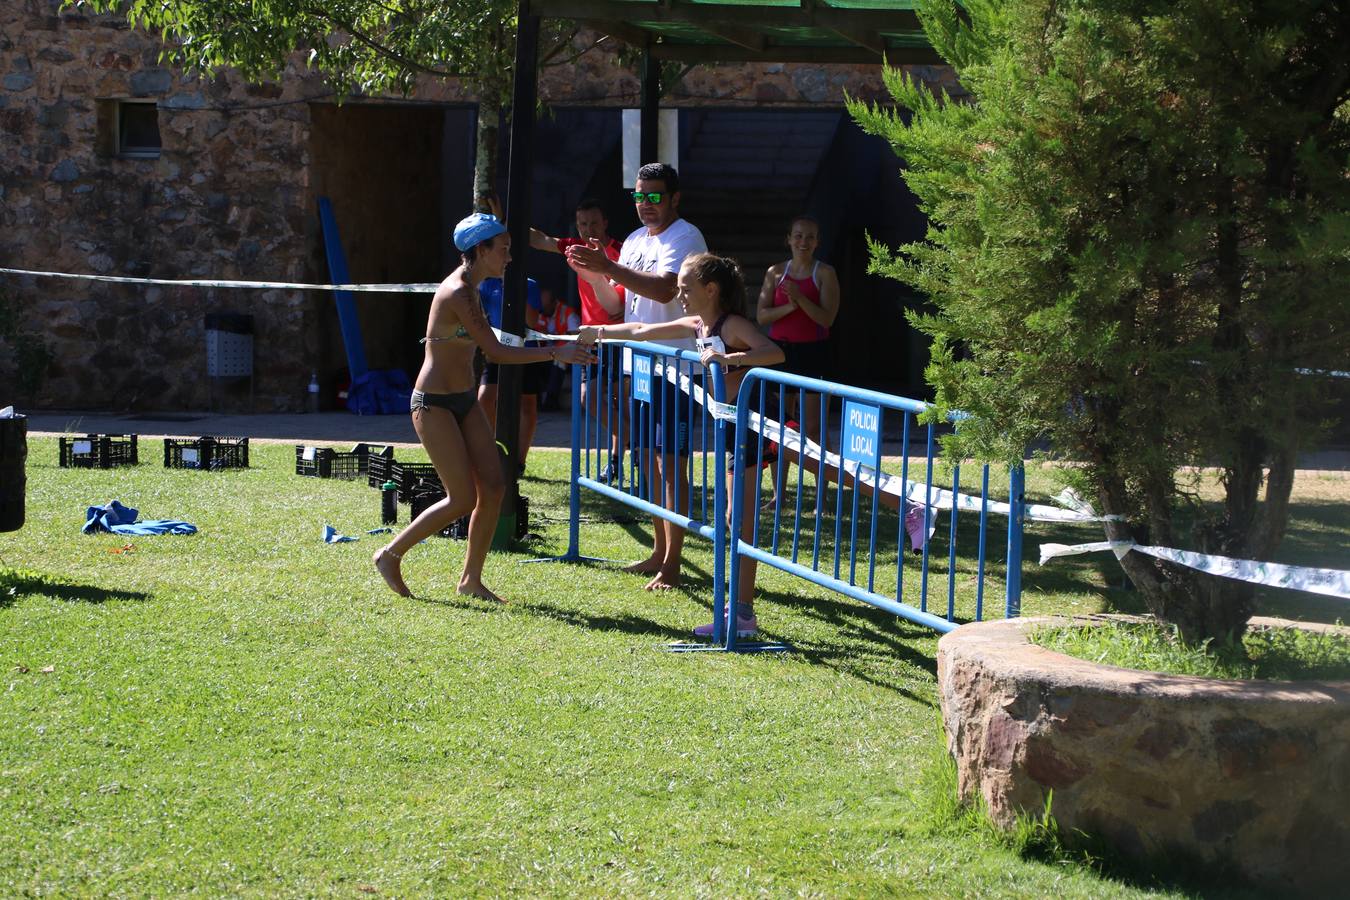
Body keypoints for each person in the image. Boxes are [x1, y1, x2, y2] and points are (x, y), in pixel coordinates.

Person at [372, 212, 593, 602]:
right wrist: (556, 351)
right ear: (480, 250)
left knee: (493, 486)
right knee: (461, 498)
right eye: (503, 249)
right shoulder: (458, 292)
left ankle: (470, 581)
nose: (509, 257)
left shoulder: (474, 288)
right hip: (434, 404)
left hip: (461, 399)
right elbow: (494, 352)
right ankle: (390, 555)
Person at [580, 253, 784, 636]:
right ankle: (741, 612)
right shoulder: (696, 323)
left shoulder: (732, 324)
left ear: (711, 289)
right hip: (736, 426)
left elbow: (774, 352)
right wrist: (600, 332)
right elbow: (641, 329)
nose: (680, 295)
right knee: (736, 518)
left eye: (685, 288)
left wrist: (729, 357)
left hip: (761, 422)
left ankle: (741, 614)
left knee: (821, 474)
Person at [567, 163, 707, 590]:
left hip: (676, 368)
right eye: (640, 196)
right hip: (639, 366)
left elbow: (666, 289)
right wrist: (592, 275)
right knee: (648, 461)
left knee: (670, 466)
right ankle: (658, 553)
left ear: (674, 198)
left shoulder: (685, 236)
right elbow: (616, 304)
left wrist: (607, 267)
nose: (646, 204)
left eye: (655, 196)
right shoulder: (630, 241)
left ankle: (673, 565)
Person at [531, 199, 626, 482]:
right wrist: (503, 218)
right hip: (591, 338)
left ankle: (618, 461)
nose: (588, 229)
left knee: (621, 403)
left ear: (605, 222)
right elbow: (540, 240)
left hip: (621, 338)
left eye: (593, 223)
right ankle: (637, 446)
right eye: (583, 224)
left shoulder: (621, 252)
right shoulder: (574, 247)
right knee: (589, 397)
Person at [756, 214, 840, 467]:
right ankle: (778, 494)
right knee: (780, 428)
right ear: (789, 240)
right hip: (780, 352)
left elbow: (826, 319)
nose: (804, 241)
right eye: (798, 236)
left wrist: (801, 298)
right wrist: (790, 307)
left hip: (813, 352)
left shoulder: (825, 272)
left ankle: (820, 497)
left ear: (817, 242)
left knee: (813, 429)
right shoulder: (775, 272)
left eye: (810, 237)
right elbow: (762, 316)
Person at [477, 275, 548, 471]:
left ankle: (519, 461)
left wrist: (514, 290)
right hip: (497, 350)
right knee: (485, 397)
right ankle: (491, 452)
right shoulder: (486, 284)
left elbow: (531, 321)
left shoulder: (530, 284)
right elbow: (480, 316)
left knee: (527, 403)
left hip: (527, 350)